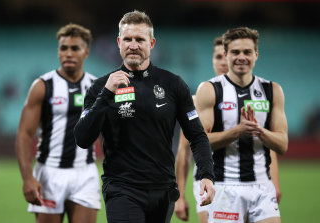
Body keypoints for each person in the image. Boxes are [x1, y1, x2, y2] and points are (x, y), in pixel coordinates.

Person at [74, 10, 215, 223]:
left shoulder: (173, 84)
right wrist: (106, 94)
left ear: (152, 43)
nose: (133, 45)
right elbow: (82, 138)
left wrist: (206, 174)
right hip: (121, 189)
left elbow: (196, 135)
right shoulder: (99, 87)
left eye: (140, 39)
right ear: (119, 42)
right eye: (128, 39)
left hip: (163, 191)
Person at [175, 36, 283, 223]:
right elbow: (184, 150)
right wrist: (180, 195)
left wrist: (275, 181)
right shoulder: (199, 100)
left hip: (254, 182)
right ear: (214, 60)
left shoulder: (255, 96)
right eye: (218, 57)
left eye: (225, 57)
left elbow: (265, 144)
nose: (223, 62)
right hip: (210, 180)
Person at [15, 23, 101, 223]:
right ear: (58, 51)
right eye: (64, 48)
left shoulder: (96, 87)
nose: (68, 53)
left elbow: (109, 133)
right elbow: (24, 134)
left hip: (85, 173)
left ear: (86, 52)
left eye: (75, 48)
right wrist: (28, 178)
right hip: (50, 173)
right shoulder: (42, 86)